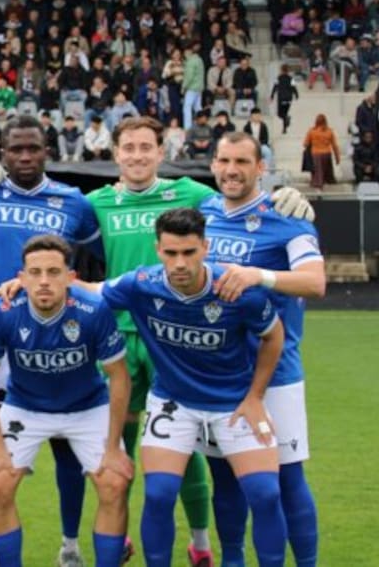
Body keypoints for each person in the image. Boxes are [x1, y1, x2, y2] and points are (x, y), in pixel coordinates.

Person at [67, 208, 288, 567]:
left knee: (265, 495)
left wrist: (255, 396)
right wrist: (25, 283)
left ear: (206, 247)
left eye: (189, 252)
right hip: (174, 403)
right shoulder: (141, 284)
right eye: (170, 253)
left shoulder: (235, 290)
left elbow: (274, 335)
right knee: (159, 495)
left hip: (232, 402)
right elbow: (91, 291)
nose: (180, 263)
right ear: (158, 249)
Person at [0, 114, 104, 566]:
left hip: (62, 333)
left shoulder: (74, 201)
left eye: (33, 148)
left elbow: (101, 256)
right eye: (15, 149)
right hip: (2, 335)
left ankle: (70, 546)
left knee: (68, 450)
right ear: (2, 152)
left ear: (47, 151)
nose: (24, 156)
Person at [199, 134, 327, 567]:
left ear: (261, 168)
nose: (231, 170)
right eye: (223, 160)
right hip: (218, 373)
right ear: (213, 165)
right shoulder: (203, 212)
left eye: (241, 161)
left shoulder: (286, 218)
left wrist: (259, 275)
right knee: (224, 479)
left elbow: (315, 282)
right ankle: (233, 560)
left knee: (286, 479)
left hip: (275, 374)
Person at [0, 235, 132, 567]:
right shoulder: (2, 311)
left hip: (87, 406)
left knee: (114, 483)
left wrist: (114, 447)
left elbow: (118, 375)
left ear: (70, 277)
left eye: (53, 272)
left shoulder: (93, 311)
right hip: (25, 406)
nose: (44, 281)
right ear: (21, 277)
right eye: (35, 273)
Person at [302, 114, 339, 190]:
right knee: (326, 171)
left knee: (318, 172)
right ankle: (327, 182)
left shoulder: (312, 131)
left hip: (316, 153)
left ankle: (318, 185)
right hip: (327, 153)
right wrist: (337, 157)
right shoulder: (329, 131)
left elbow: (305, 144)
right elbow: (335, 145)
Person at [269, 65, 298, 134]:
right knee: (285, 113)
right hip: (289, 98)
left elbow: (275, 87)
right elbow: (294, 87)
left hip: (281, 98)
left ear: (281, 70)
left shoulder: (278, 78)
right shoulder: (291, 78)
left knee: (280, 114)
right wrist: (296, 95)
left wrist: (272, 96)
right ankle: (284, 129)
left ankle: (286, 121)